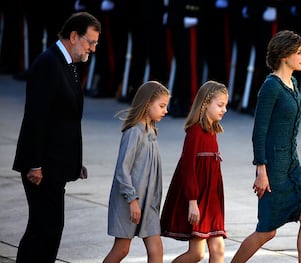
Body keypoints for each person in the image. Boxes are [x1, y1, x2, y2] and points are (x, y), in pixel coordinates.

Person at [12, 12, 101, 262]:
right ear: (74, 36)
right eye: (90, 42)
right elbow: (36, 118)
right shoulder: (49, 64)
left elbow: (65, 119)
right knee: (44, 230)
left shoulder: (66, 65)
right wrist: (35, 163)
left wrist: (75, 160)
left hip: (56, 164)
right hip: (42, 168)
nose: (92, 49)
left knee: (50, 230)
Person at [231, 30, 301, 263]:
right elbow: (258, 132)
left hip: (292, 164)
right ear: (285, 55)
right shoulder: (271, 87)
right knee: (267, 231)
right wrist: (261, 171)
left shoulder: (292, 82)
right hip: (273, 168)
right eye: (299, 53)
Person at [161, 80, 229, 262]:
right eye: (220, 105)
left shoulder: (213, 131)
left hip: (212, 200)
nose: (224, 110)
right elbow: (188, 167)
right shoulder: (195, 131)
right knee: (197, 253)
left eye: (225, 105)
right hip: (198, 199)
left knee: (218, 250)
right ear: (205, 104)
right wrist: (192, 201)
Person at [103, 81, 170, 263]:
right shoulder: (134, 132)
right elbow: (122, 169)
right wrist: (132, 200)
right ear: (147, 103)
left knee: (156, 248)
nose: (165, 111)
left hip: (148, 204)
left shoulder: (151, 131)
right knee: (122, 249)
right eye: (162, 106)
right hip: (130, 201)